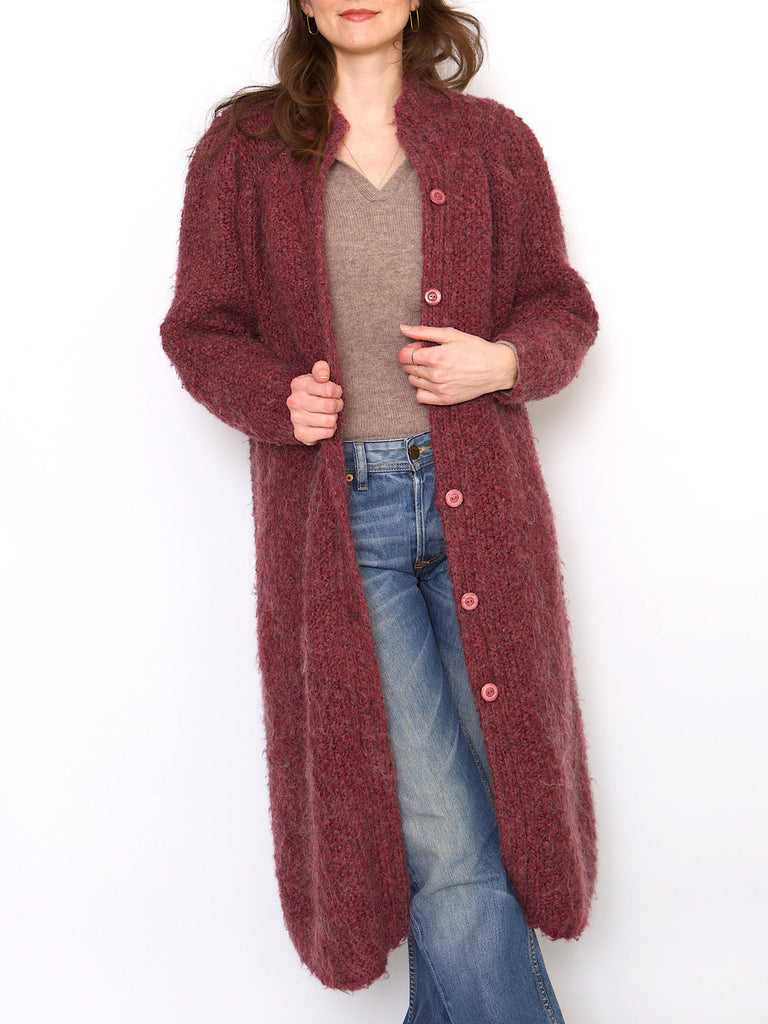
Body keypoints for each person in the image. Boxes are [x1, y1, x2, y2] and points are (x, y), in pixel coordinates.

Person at [160, 1, 599, 1020]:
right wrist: (276, 398)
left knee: (505, 806)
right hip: (341, 525)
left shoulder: (492, 142)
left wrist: (503, 361)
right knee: (442, 824)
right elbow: (200, 328)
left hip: (484, 515)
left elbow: (561, 306)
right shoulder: (244, 152)